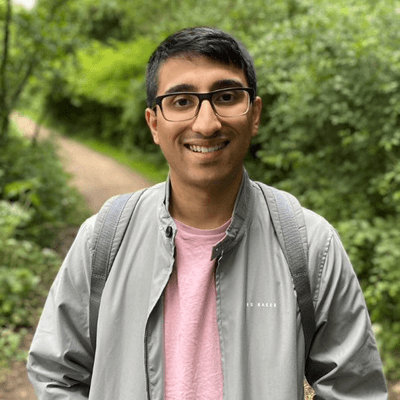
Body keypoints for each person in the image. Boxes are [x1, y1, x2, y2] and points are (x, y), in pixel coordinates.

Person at [27, 27, 388, 399]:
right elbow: (56, 370)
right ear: (154, 123)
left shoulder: (310, 245)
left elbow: (354, 389)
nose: (206, 123)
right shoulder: (104, 236)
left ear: (255, 114)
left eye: (227, 97)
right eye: (182, 101)